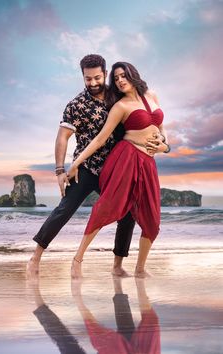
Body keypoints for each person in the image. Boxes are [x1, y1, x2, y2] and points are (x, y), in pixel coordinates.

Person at [26, 55, 137, 279]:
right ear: (82, 77)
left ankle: (117, 265)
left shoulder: (118, 96)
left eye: (97, 77)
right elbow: (62, 138)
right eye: (88, 79)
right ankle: (35, 257)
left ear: (105, 74)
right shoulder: (76, 105)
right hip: (85, 168)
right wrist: (59, 170)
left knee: (128, 214)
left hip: (115, 169)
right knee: (64, 210)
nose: (93, 83)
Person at [68, 61, 170, 278]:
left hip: (148, 163)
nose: (120, 80)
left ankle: (140, 268)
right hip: (127, 158)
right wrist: (75, 163)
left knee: (152, 217)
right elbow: (100, 139)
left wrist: (165, 146)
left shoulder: (152, 95)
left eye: (123, 75)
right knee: (107, 207)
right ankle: (77, 259)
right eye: (116, 78)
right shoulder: (120, 106)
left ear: (133, 74)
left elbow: (161, 130)